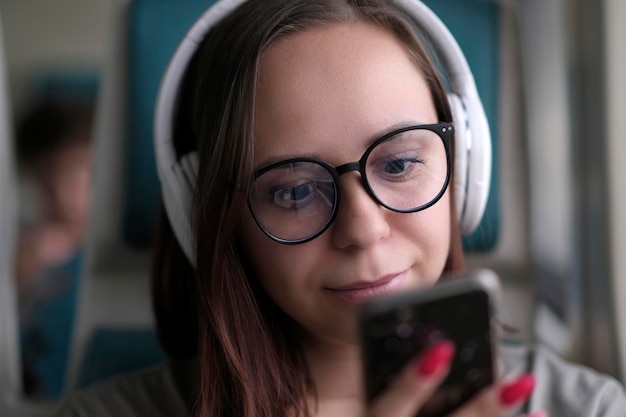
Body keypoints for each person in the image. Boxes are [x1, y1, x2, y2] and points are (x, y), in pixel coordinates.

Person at [54, 0, 626, 416]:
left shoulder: (587, 408)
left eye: (400, 164)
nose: (363, 230)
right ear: (217, 218)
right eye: (295, 190)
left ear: (464, 169)